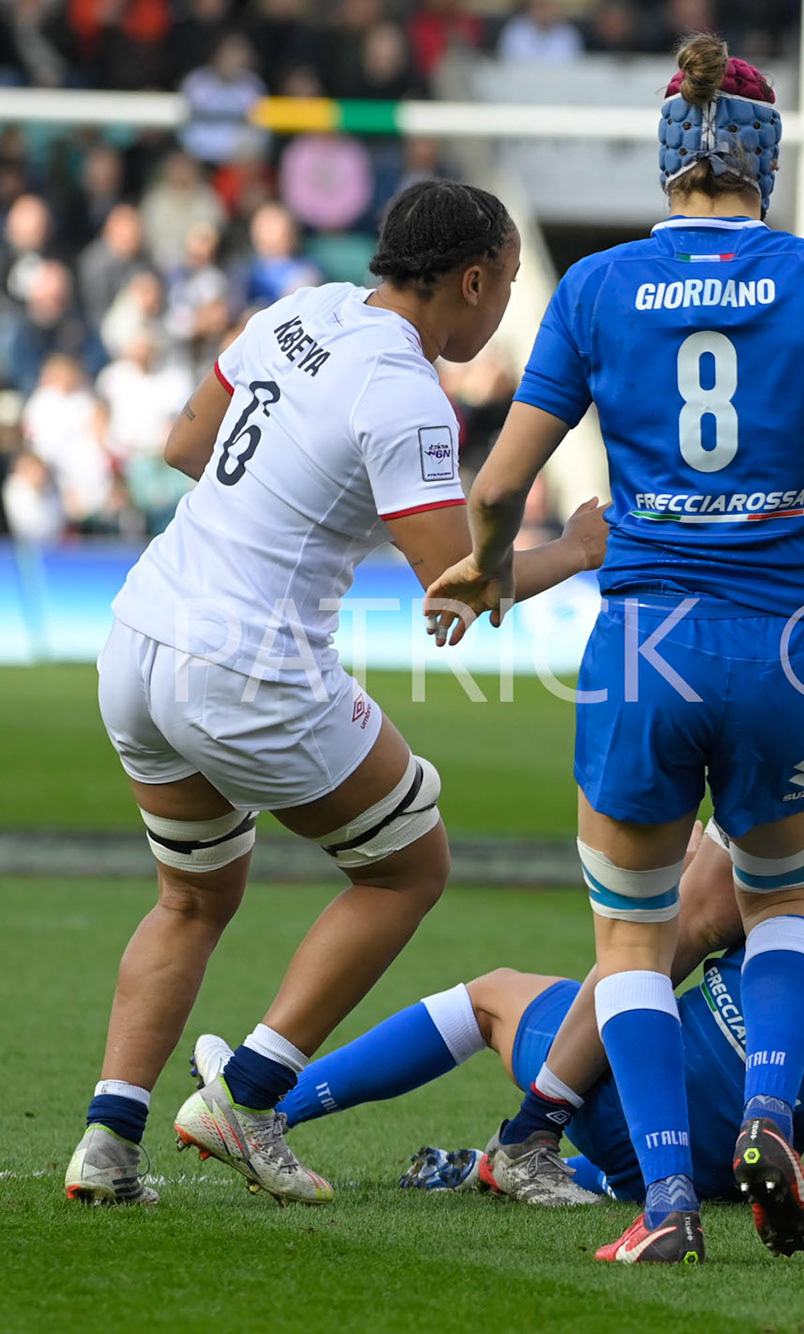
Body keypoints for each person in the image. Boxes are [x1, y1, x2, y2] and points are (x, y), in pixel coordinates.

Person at [422, 34, 804, 1267]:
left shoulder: (595, 288)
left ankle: (670, 1201)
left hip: (646, 644)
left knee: (630, 937)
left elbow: (504, 481)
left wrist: (483, 561)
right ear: (767, 162)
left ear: (669, 156)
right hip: (786, 645)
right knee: (783, 899)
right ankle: (773, 1118)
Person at [65, 179, 605, 1209]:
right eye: (508, 287)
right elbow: (458, 586)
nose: (503, 310)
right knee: (409, 864)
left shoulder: (303, 309)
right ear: (475, 279)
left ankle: (108, 1134)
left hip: (139, 634)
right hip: (246, 664)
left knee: (192, 894)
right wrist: (576, 549)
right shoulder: (408, 394)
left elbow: (187, 446)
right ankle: (253, 1093)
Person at [188, 791, 804, 1213]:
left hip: (620, 1087)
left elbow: (693, 916)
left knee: (492, 999)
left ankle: (273, 1108)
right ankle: (495, 1169)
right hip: (732, 1167)